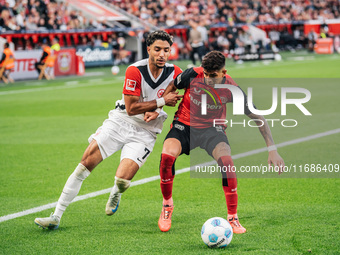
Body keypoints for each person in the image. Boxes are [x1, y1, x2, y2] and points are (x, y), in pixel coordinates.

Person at [34, 30, 183, 230]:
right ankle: (56, 216)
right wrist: (161, 102)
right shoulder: (134, 70)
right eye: (157, 49)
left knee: (122, 180)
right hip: (120, 121)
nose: (162, 54)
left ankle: (116, 191)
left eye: (166, 50)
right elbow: (131, 108)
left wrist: (158, 109)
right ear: (148, 49)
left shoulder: (175, 72)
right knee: (84, 164)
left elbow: (176, 88)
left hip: (146, 132)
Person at [156, 51, 285, 233]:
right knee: (167, 156)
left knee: (227, 163)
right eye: (206, 75)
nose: (208, 79)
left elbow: (258, 117)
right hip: (184, 125)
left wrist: (272, 149)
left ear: (224, 73)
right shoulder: (192, 74)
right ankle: (167, 205)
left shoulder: (232, 88)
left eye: (213, 76)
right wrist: (158, 106)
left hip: (212, 130)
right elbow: (173, 84)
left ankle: (232, 217)